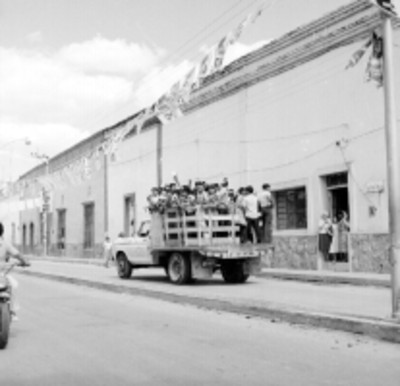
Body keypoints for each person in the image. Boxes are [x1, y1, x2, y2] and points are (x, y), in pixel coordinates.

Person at [0, 222, 30, 321]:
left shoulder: (5, 244)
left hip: (2, 275)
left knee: (14, 285)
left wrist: (24, 261)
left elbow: (17, 254)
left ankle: (12, 311)